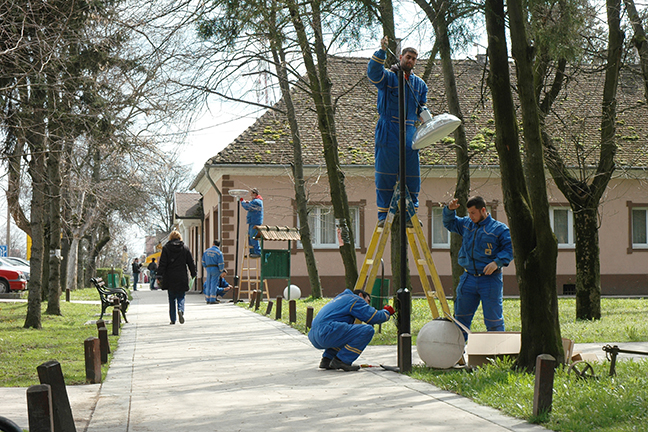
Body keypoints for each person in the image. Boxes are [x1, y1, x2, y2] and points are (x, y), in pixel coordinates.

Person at [367, 36, 428, 226]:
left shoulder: (420, 85)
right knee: (385, 172)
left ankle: (411, 215)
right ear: (401, 57)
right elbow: (373, 73)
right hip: (389, 129)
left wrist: (426, 117)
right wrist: (382, 51)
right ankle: (384, 216)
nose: (410, 61)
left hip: (410, 130)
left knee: (412, 174)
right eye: (407, 57)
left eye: (413, 59)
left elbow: (421, 107)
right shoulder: (389, 76)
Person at [443, 196, 513, 339]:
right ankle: (458, 355)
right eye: (468, 213)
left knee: (493, 320)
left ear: (483, 210)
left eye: (473, 213)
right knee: (460, 319)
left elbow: (510, 249)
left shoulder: (499, 229)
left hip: (490, 280)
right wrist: (449, 210)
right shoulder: (467, 224)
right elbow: (449, 223)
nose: (470, 216)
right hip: (468, 278)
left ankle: (497, 355)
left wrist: (497, 263)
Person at [308, 289, 395, 372]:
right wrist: (386, 312)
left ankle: (327, 359)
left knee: (348, 333)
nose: (368, 305)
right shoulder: (355, 299)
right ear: (360, 295)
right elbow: (373, 317)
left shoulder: (340, 299)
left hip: (314, 335)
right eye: (368, 301)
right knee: (367, 330)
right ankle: (342, 360)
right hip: (326, 332)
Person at [156, 231, 197, 325]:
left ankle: (173, 319)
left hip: (170, 277)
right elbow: (190, 262)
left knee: (171, 298)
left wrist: (159, 275)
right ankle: (180, 309)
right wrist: (193, 273)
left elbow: (162, 263)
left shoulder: (166, 248)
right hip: (182, 276)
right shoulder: (185, 248)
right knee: (181, 296)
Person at [240, 188, 264, 258]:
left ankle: (257, 252)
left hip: (255, 221)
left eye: (252, 194)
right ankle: (252, 252)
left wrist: (242, 202)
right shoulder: (256, 201)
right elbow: (250, 204)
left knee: (253, 237)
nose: (251, 195)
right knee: (250, 237)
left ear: (255, 194)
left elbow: (248, 207)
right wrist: (248, 202)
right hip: (253, 221)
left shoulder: (257, 201)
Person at [202, 240, 226, 304]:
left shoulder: (206, 251)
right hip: (215, 268)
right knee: (214, 284)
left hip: (208, 268)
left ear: (213, 243)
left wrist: (206, 267)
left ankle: (207, 298)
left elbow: (203, 261)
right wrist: (221, 270)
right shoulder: (219, 253)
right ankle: (212, 299)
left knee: (208, 283)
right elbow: (221, 263)